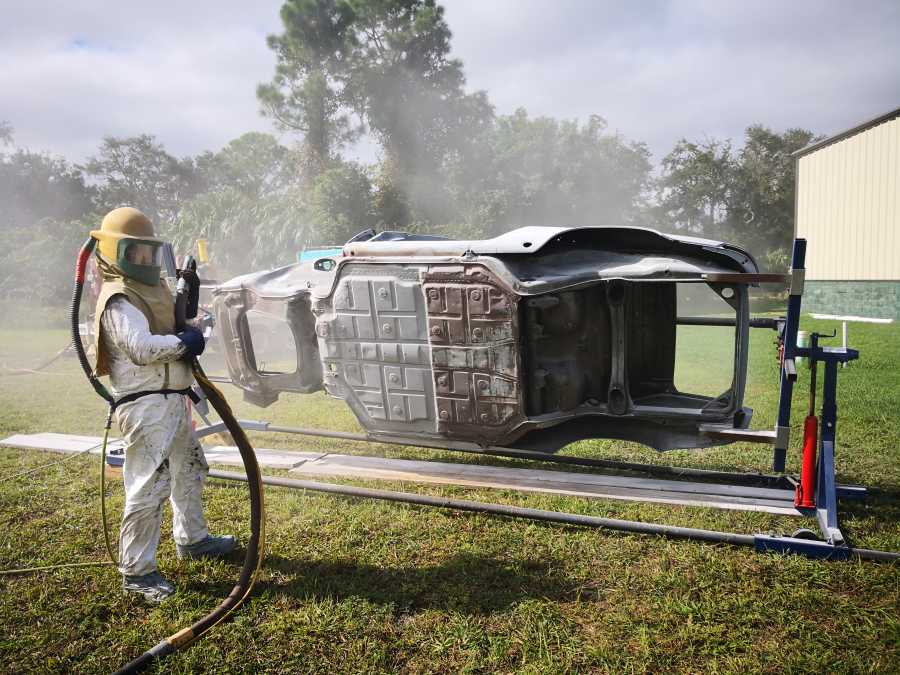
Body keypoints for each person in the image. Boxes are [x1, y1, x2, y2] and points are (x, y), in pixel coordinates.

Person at [90, 206, 235, 603]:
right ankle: (137, 572)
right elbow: (140, 348)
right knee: (148, 485)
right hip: (144, 405)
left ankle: (193, 539)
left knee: (191, 467)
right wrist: (183, 344)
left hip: (172, 399)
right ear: (115, 253)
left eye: (147, 252)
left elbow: (174, 329)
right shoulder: (118, 298)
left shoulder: (154, 291)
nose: (143, 260)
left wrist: (190, 323)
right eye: (134, 252)